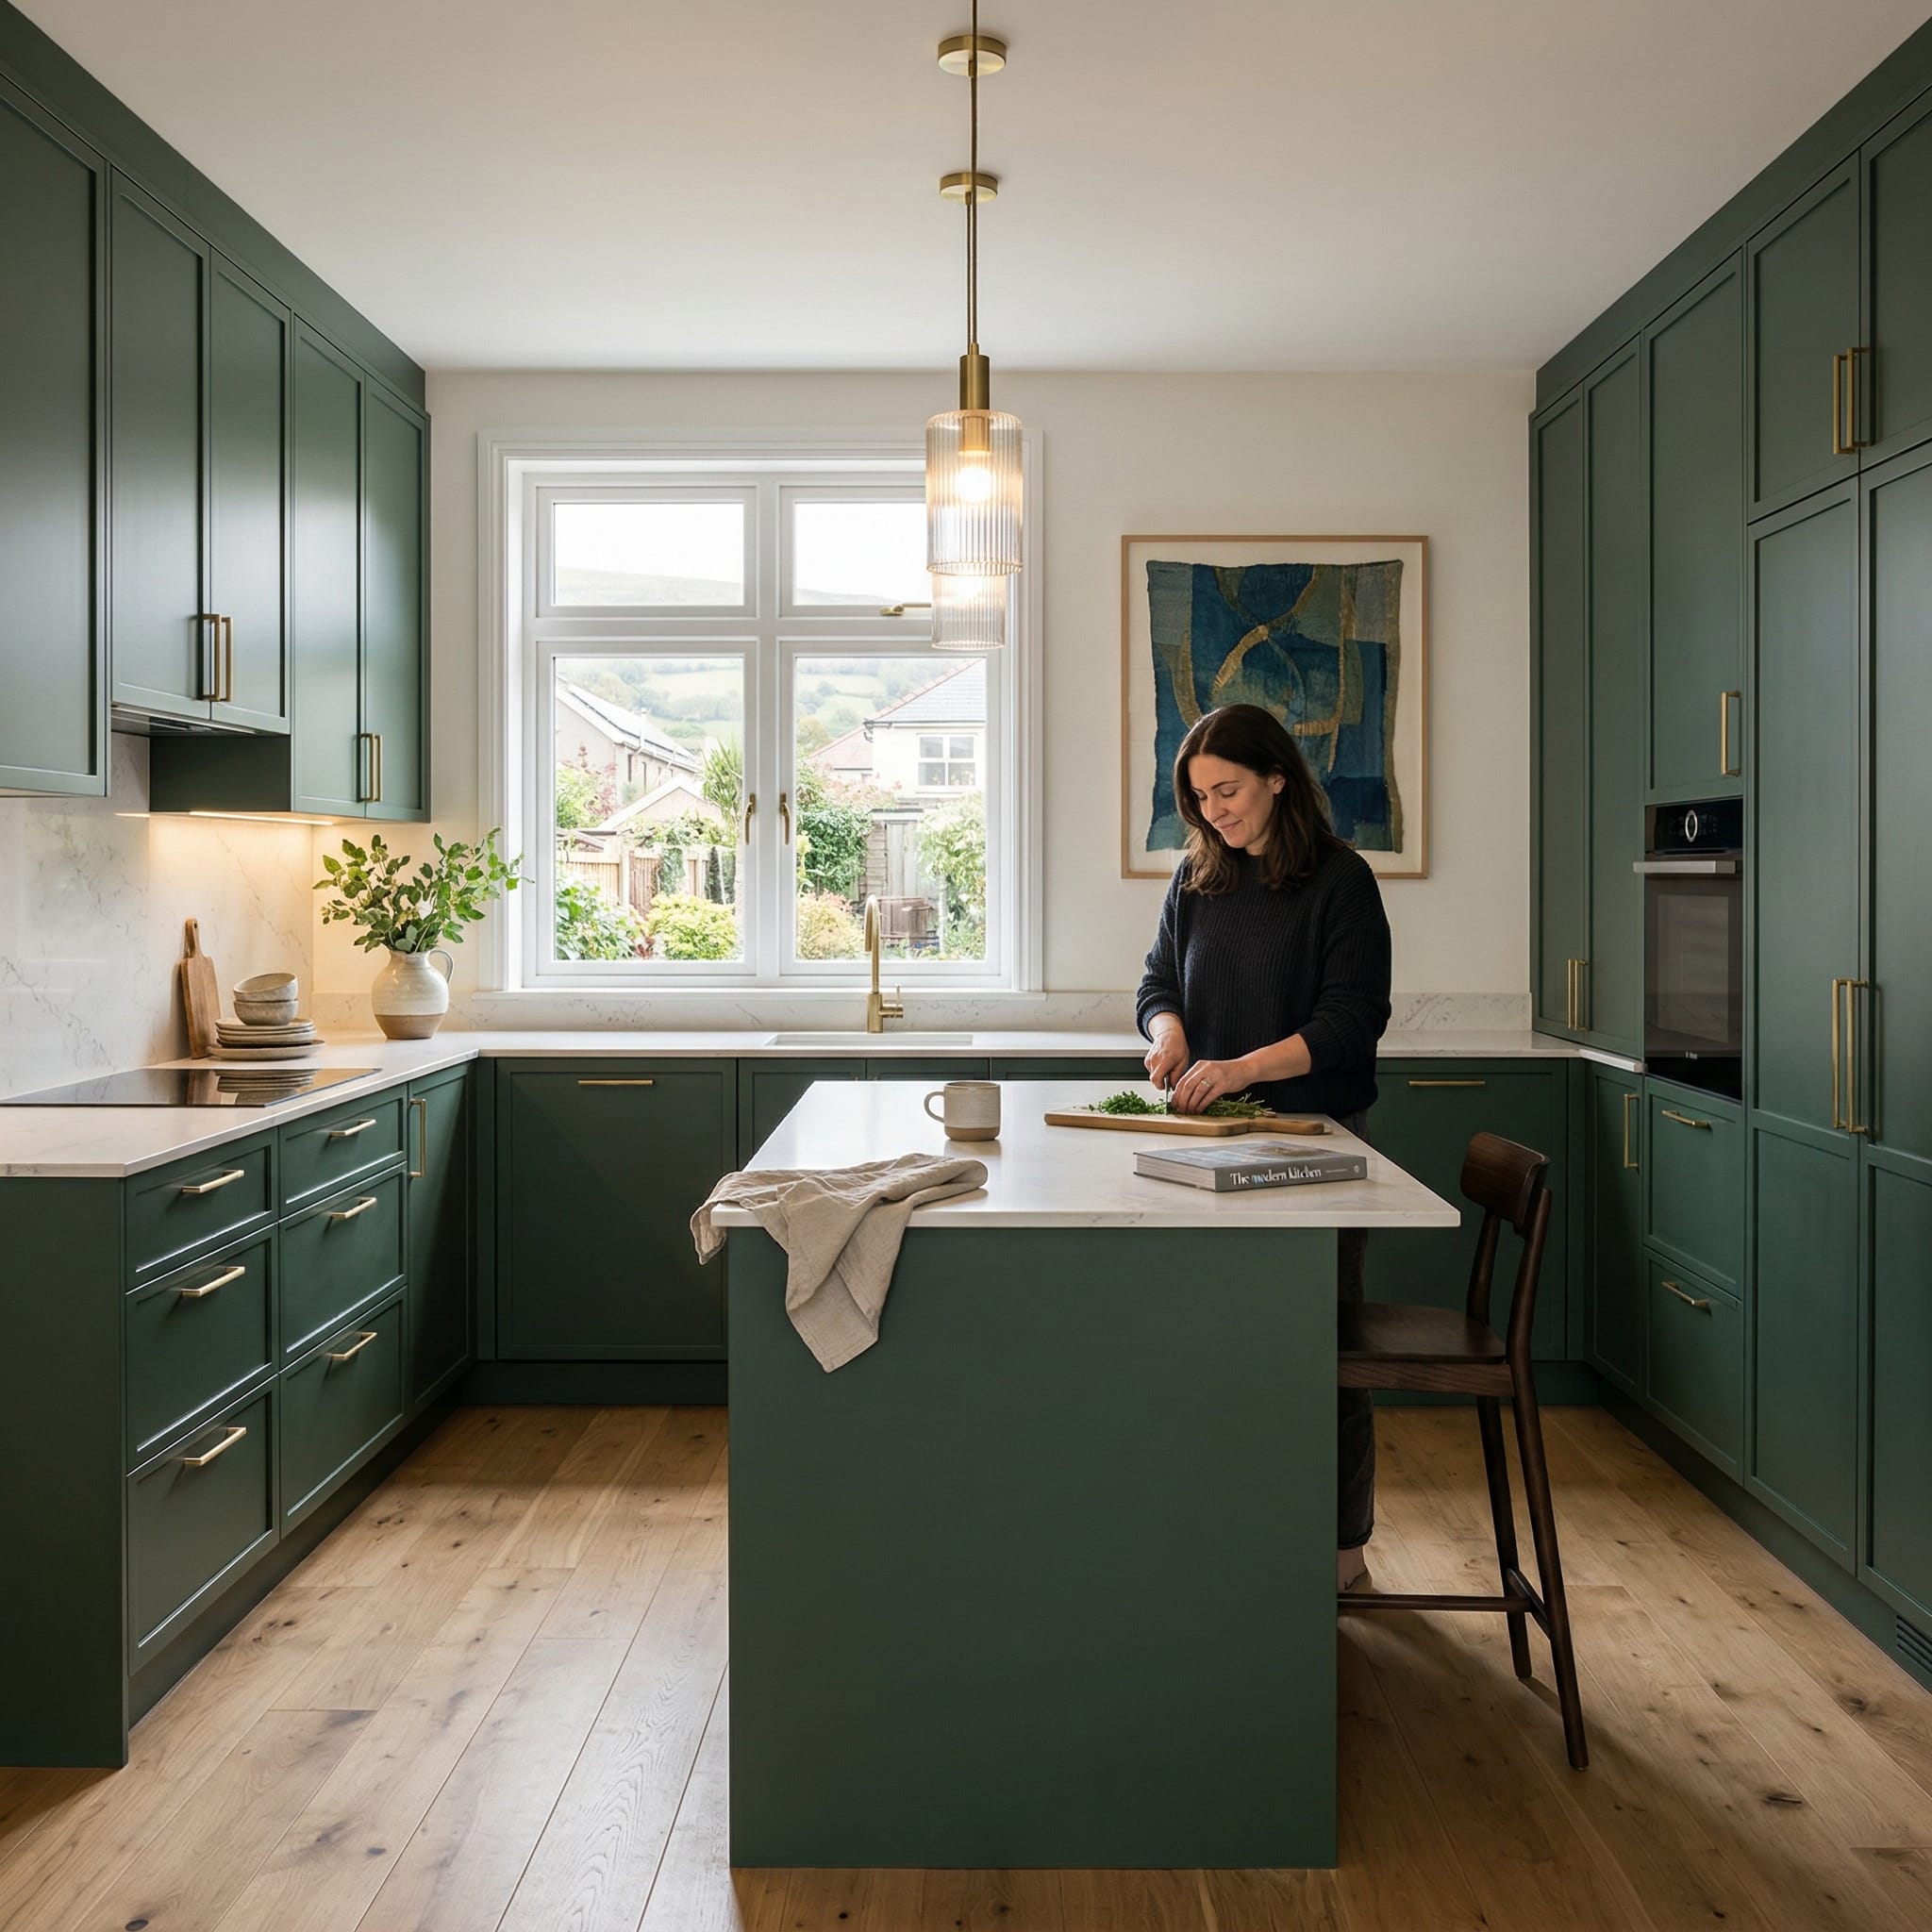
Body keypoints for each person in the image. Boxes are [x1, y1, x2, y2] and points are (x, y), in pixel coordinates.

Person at [1136, 703, 1392, 1591]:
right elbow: (1156, 985)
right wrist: (1167, 1036)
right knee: (1215, 1341)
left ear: (1278, 778)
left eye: (1229, 790)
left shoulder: (1341, 881)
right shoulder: (1195, 879)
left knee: (1320, 1348)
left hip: (1313, 1140)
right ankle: (1226, 1533)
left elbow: (1353, 1022)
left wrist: (1243, 1065)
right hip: (1209, 1142)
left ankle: (1338, 1553)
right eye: (1200, 796)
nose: (1214, 812)